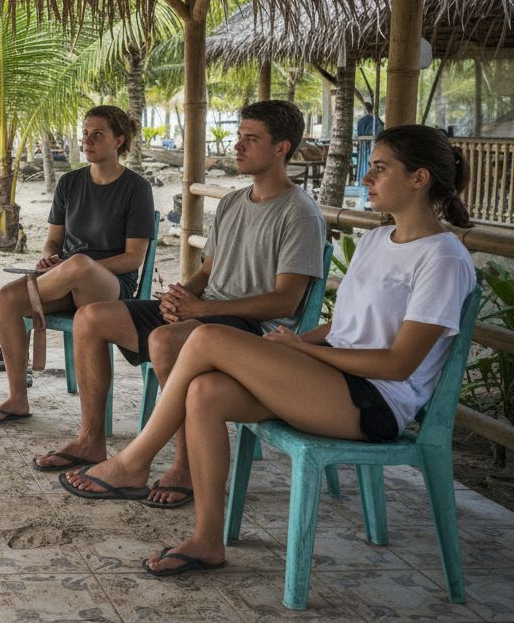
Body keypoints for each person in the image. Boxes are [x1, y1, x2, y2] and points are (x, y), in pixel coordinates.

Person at [61, 124, 476, 577]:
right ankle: (206, 540)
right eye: (370, 166)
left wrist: (305, 351)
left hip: (374, 401)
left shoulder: (443, 258)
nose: (369, 176)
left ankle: (134, 460)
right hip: (330, 381)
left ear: (419, 179)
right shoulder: (378, 240)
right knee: (205, 392)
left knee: (205, 337)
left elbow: (398, 364)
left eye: (380, 168)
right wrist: (299, 346)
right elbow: (348, 327)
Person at [38, 100, 326, 507]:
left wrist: (201, 310)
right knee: (90, 318)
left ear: (281, 148)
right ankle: (91, 439)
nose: (238, 146)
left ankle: (185, 468)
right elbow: (208, 273)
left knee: (166, 341)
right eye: (239, 136)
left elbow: (286, 300)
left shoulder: (298, 213)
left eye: (250, 139)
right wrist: (182, 296)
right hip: (207, 311)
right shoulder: (232, 202)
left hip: (254, 331)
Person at [0, 105, 154, 425]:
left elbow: (133, 258)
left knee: (79, 264)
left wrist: (76, 267)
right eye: (85, 133)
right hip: (62, 278)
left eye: (98, 134)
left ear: (119, 141)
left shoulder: (136, 188)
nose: (87, 140)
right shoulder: (69, 183)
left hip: (111, 286)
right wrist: (50, 259)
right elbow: (53, 241)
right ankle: (16, 400)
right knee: (9, 297)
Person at [355, 103, 383, 183]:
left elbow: (358, 134)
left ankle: (362, 180)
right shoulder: (376, 121)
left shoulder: (360, 121)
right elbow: (380, 132)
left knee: (362, 162)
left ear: (364, 109)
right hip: (373, 146)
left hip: (363, 146)